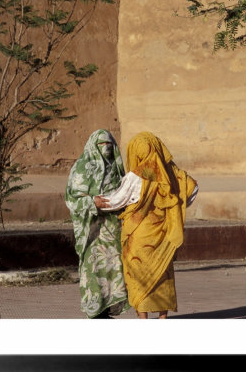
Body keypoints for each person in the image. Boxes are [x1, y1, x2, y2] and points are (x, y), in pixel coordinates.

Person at [96, 131, 198, 319]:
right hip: (164, 234)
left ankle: (143, 318)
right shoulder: (173, 172)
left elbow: (118, 200)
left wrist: (99, 202)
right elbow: (192, 189)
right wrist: (178, 206)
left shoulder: (136, 176)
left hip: (139, 233)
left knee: (138, 275)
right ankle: (162, 317)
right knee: (162, 274)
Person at [65, 129, 130, 319]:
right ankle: (95, 312)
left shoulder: (116, 167)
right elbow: (72, 198)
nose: (106, 148)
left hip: (112, 229)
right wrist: (93, 202)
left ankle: (108, 310)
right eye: (102, 145)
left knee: (113, 269)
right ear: (93, 146)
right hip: (92, 231)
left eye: (109, 144)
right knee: (93, 269)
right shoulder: (82, 167)